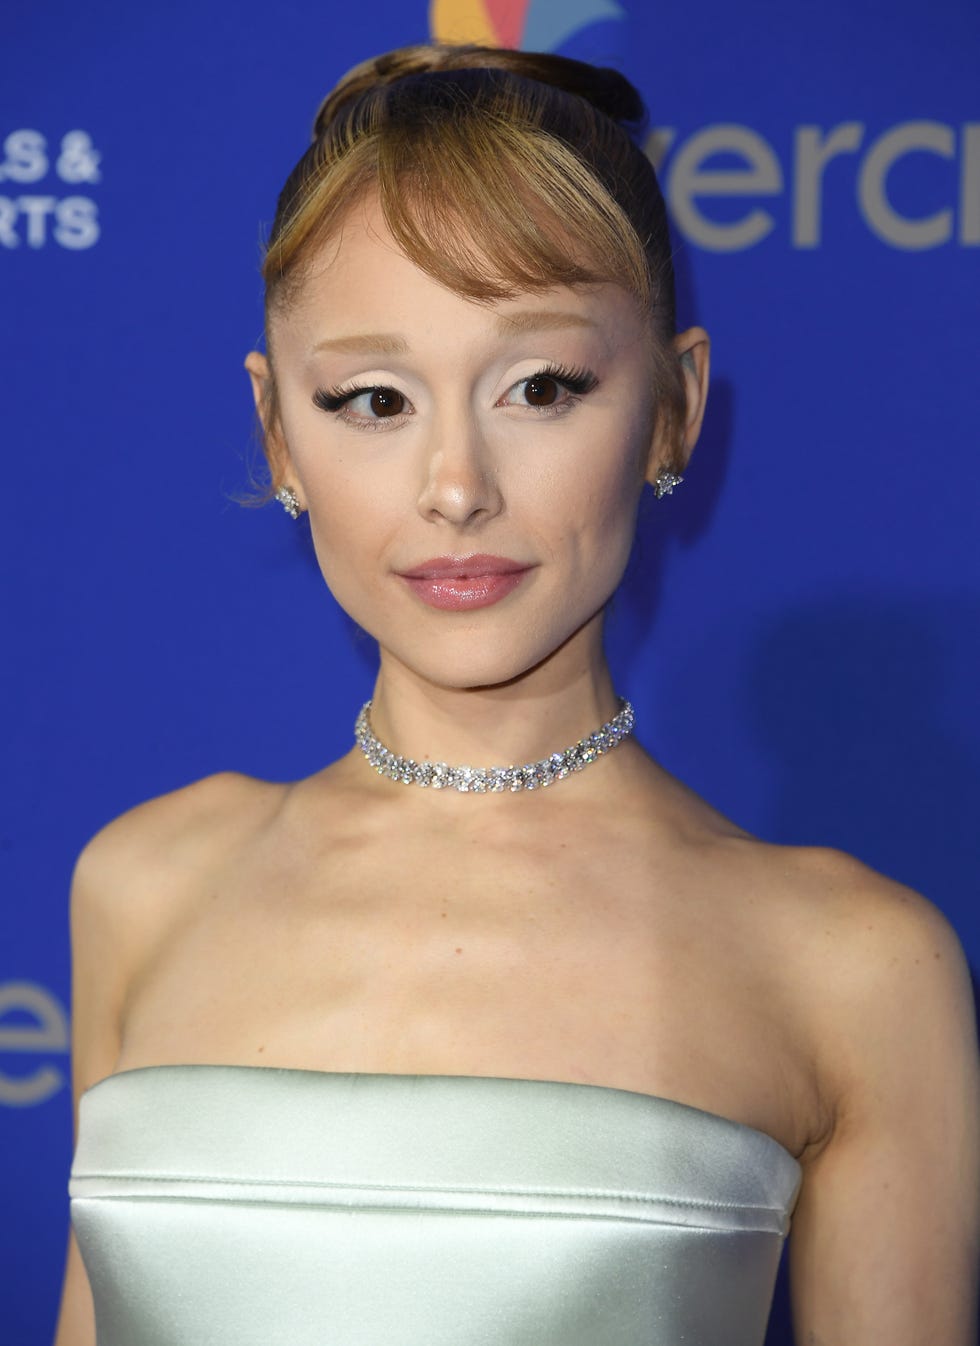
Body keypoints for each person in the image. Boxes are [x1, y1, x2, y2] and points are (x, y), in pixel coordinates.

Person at [55, 42, 978, 1346]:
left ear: (673, 407)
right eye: (373, 397)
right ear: (279, 436)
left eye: (540, 387)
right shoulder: (142, 884)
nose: (454, 483)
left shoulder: (854, 965)